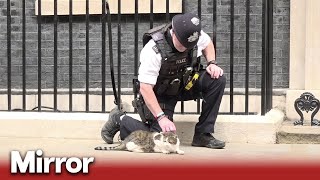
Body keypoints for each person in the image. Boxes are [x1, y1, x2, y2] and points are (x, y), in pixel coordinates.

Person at [101, 13, 226, 149]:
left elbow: (207, 43)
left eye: (189, 46)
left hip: (185, 83)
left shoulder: (193, 36)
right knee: (157, 138)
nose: (186, 48)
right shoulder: (153, 49)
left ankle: (203, 134)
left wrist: (212, 63)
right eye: (183, 45)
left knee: (217, 80)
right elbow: (145, 88)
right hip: (160, 93)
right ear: (174, 33)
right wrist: (161, 117)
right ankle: (119, 119)